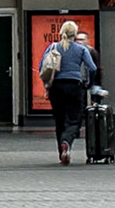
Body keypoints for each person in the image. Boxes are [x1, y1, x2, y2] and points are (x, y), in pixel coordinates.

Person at [40, 20, 99, 165]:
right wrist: (89, 84)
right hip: (74, 87)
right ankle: (67, 142)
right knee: (75, 119)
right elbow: (92, 68)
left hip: (56, 87)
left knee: (60, 120)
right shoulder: (81, 49)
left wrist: (48, 86)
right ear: (75, 34)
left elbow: (43, 67)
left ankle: (62, 153)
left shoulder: (53, 47)